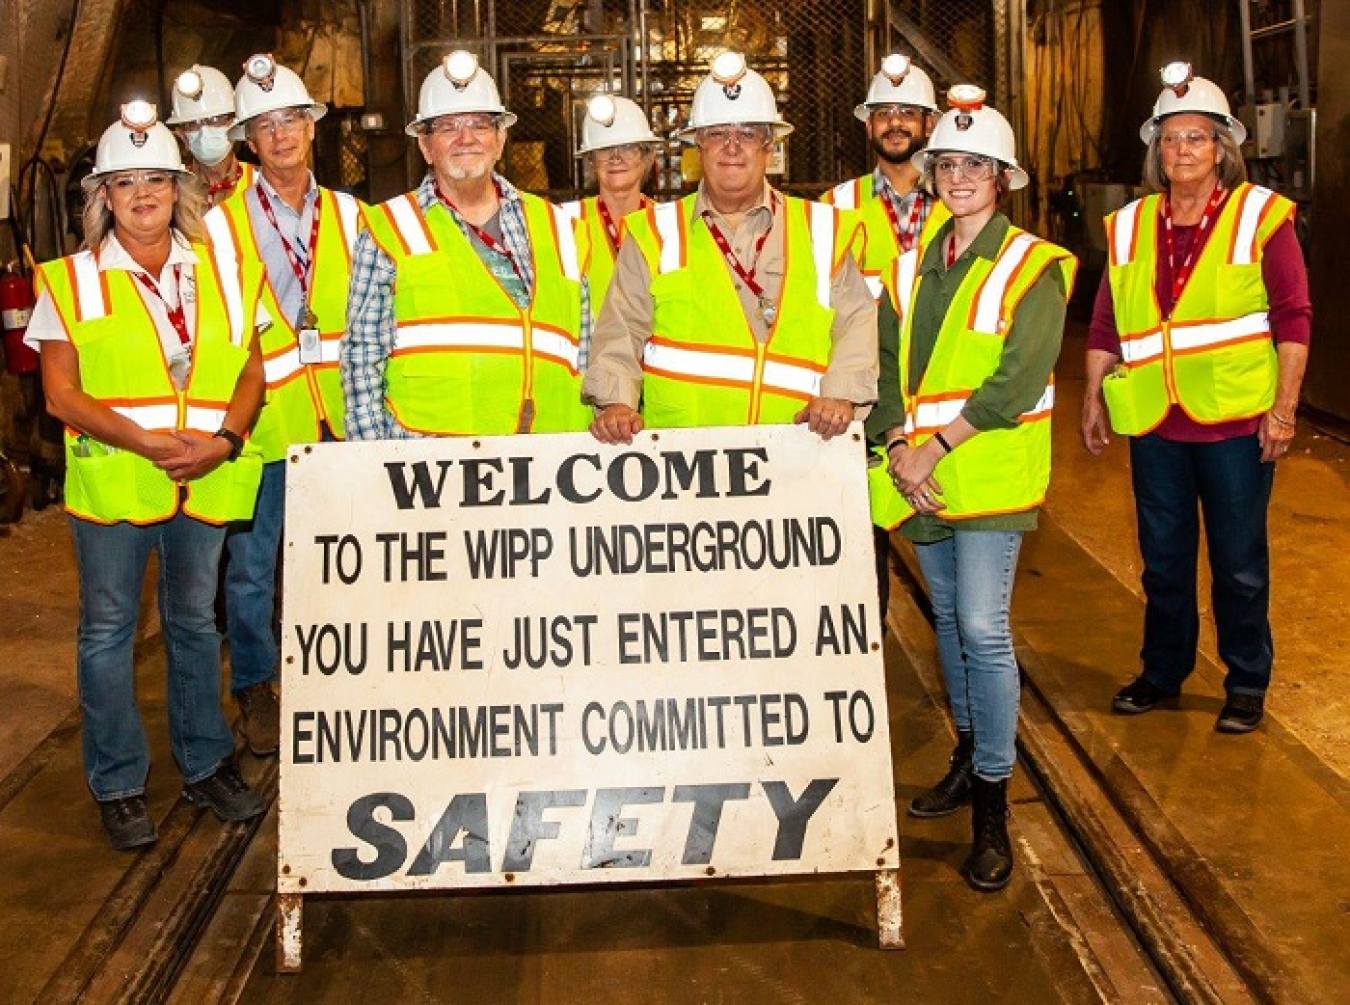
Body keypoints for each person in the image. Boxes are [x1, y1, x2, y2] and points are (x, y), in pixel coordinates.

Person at [25, 102, 268, 849]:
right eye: (123, 182)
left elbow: (253, 372)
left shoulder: (225, 270)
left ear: (179, 190)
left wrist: (225, 440)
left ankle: (205, 763)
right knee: (108, 631)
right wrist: (147, 440)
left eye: (155, 180)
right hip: (119, 485)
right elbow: (60, 393)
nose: (141, 195)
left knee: (195, 624)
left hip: (203, 476)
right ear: (101, 197)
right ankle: (120, 782)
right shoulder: (70, 281)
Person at [867, 86, 1075, 891]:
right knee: (951, 619)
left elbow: (1018, 377)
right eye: (946, 163)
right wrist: (895, 441)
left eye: (975, 165)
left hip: (984, 476)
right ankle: (966, 752)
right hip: (923, 477)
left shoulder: (1035, 266)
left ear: (1003, 176)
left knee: (984, 630)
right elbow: (887, 363)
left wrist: (930, 450)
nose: (958, 177)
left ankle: (995, 800)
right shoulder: (913, 264)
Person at [1082, 63, 1311, 735]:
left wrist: (1285, 408)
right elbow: (1105, 322)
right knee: (1163, 559)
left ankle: (1245, 680)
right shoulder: (1127, 225)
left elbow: (1294, 317)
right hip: (1154, 420)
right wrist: (1094, 392)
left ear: (1223, 150)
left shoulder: (1260, 217)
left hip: (1236, 423)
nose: (1183, 150)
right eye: (1172, 139)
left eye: (1198, 138)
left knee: (1239, 562)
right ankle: (1163, 671)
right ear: (1157, 151)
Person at [582, 52, 876, 444]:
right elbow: (621, 328)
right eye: (718, 133)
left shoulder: (823, 229)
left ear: (769, 146)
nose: (732, 146)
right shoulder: (655, 232)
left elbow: (856, 321)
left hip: (798, 454)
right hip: (687, 463)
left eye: (748, 134)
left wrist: (841, 394)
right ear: (698, 145)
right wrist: (615, 403)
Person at [204, 53, 365, 757]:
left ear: (312, 129)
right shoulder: (217, 226)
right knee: (252, 569)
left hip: (343, 417)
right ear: (248, 139)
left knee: (350, 556)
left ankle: (350, 677)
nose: (281, 135)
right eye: (264, 125)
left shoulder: (356, 216)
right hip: (265, 423)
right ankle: (259, 689)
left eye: (292, 120)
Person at [343, 51, 593, 439]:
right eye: (447, 127)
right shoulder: (388, 228)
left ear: (500, 139)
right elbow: (362, 355)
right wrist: (376, 458)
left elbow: (586, 349)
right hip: (430, 462)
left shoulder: (561, 228)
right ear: (425, 146)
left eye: (479, 124)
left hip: (549, 455)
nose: (465, 139)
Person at [822, 54, 948, 300]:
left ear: (930, 124)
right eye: (883, 114)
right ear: (869, 126)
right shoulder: (834, 205)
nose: (895, 122)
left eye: (908, 113)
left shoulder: (957, 201)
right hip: (865, 339)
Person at [563, 94, 660, 314]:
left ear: (647, 157)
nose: (616, 158)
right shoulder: (564, 221)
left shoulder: (669, 224)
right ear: (591, 161)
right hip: (589, 346)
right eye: (605, 149)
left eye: (628, 148)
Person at [166, 64, 254, 208]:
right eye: (193, 123)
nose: (204, 131)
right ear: (182, 136)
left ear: (235, 123)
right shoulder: (174, 190)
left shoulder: (260, 182)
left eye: (215, 120)